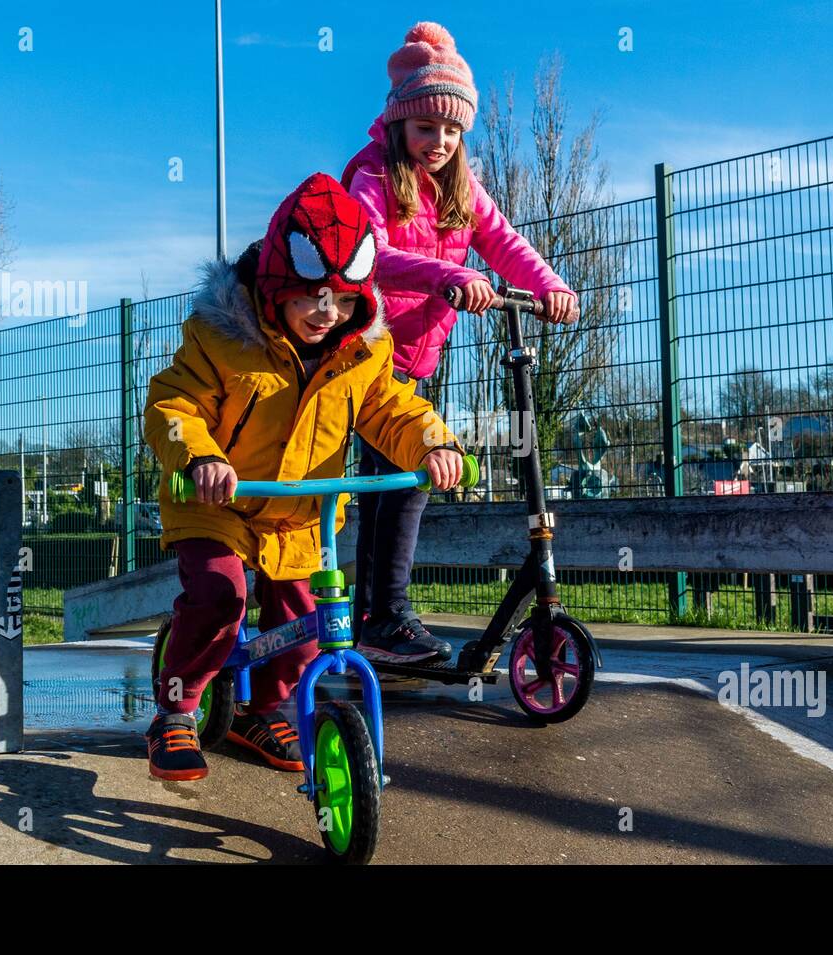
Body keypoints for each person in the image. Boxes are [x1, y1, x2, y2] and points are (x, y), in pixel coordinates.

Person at [142, 172, 463, 781]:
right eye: (313, 295)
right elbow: (173, 406)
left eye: (344, 301)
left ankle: (259, 710)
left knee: (304, 622)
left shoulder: (361, 354)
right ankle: (176, 711)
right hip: (218, 501)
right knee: (219, 599)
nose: (328, 313)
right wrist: (201, 459)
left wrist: (432, 445)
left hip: (300, 510)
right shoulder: (220, 338)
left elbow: (392, 409)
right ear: (276, 288)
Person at [341, 21, 578, 663]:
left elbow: (502, 241)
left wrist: (550, 285)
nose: (440, 142)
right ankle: (382, 617)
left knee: (389, 484)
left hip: (414, 360)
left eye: (452, 130)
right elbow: (370, 254)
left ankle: (374, 620)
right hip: (362, 358)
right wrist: (450, 275)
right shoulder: (373, 176)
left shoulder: (460, 191)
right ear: (399, 125)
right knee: (408, 475)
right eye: (426, 128)